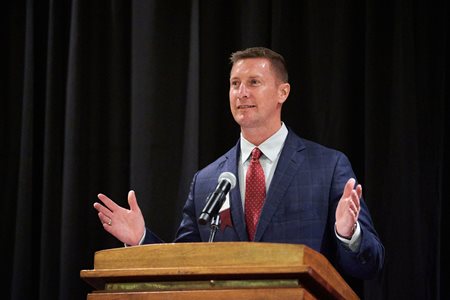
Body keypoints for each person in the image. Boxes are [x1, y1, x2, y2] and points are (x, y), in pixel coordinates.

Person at [93, 47, 384, 286]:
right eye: (235, 84)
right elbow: (184, 265)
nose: (241, 92)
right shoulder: (207, 180)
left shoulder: (327, 166)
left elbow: (370, 264)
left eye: (254, 82)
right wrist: (141, 240)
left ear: (283, 92)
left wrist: (348, 234)